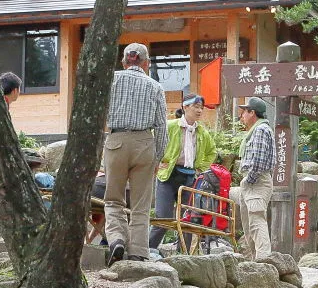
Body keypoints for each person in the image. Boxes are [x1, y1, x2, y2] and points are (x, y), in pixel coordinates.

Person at [103, 44, 168, 264]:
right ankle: (139, 252)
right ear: (146, 64)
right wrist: (157, 157)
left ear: (124, 62)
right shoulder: (155, 86)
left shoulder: (111, 80)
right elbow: (161, 127)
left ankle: (117, 239)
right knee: (141, 204)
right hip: (144, 143)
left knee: (113, 199)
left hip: (116, 141)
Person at [149, 94, 217, 250]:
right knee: (163, 217)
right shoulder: (170, 126)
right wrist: (158, 162)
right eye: (196, 106)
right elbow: (154, 142)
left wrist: (200, 167)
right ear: (185, 107)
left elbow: (212, 151)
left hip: (189, 177)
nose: (199, 110)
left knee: (188, 218)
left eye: (201, 107)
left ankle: (183, 254)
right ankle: (147, 251)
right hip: (168, 176)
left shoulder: (201, 132)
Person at [230, 97, 275, 261]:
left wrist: (249, 179)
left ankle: (264, 260)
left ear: (252, 113)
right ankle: (256, 261)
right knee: (249, 226)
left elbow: (260, 161)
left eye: (245, 112)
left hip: (256, 181)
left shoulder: (261, 130)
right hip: (251, 181)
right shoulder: (256, 130)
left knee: (256, 221)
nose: (242, 115)